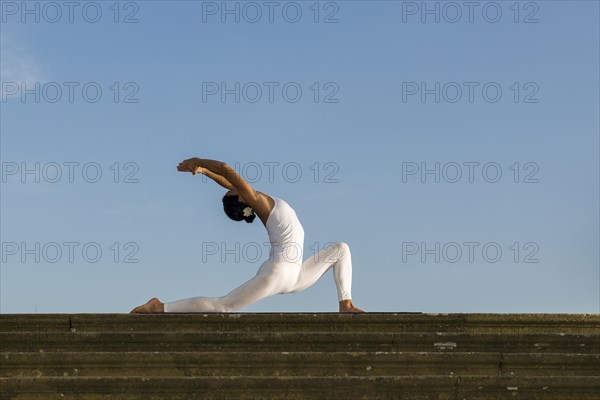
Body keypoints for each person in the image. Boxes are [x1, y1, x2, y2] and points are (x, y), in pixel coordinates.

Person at [130, 157, 364, 313]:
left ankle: (346, 303)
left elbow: (224, 180)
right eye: (235, 190)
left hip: (297, 276)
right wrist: (198, 160)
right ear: (241, 198)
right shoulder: (259, 202)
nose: (234, 187)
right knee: (224, 307)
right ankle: (161, 307)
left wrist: (205, 173)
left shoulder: (258, 201)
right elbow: (227, 171)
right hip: (278, 272)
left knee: (341, 249)